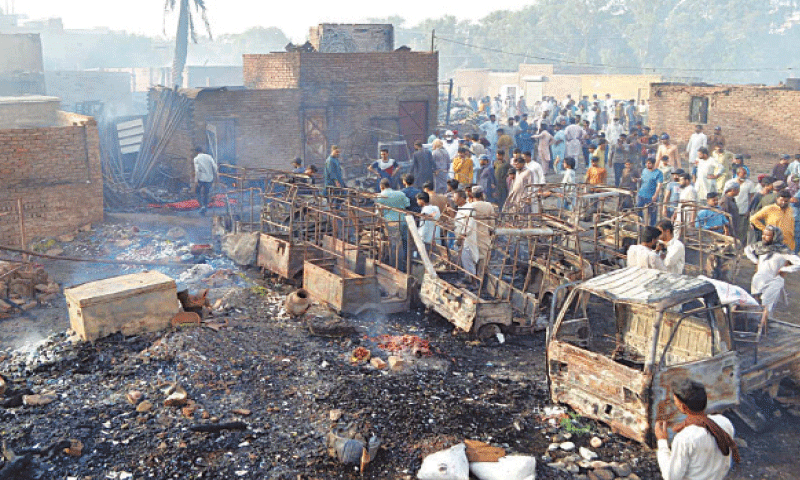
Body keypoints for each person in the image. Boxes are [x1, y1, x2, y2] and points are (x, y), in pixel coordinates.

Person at [655, 379, 738, 480]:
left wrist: (662, 441)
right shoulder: (724, 422)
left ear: (683, 407)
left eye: (675, 401)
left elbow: (671, 477)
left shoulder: (685, 438)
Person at [745, 225, 800, 314]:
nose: (763, 236)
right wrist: (755, 261)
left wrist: (785, 269)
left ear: (774, 236)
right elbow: (747, 249)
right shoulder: (761, 246)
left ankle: (765, 324)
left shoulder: (783, 251)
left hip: (774, 281)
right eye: (763, 234)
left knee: (766, 306)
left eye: (767, 235)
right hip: (759, 279)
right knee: (755, 305)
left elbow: (798, 263)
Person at [375, 178, 410, 270]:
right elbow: (407, 204)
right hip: (403, 220)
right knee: (405, 241)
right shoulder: (401, 194)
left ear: (381, 187)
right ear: (389, 185)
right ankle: (407, 262)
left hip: (390, 223)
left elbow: (378, 212)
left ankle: (396, 267)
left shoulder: (380, 196)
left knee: (395, 245)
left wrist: (378, 223)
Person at [725, 167, 758, 246]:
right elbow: (725, 195)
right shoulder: (730, 183)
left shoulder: (749, 183)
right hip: (732, 210)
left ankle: (741, 247)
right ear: (737, 174)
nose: (744, 176)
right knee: (732, 230)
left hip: (743, 210)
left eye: (745, 174)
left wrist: (749, 210)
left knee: (742, 231)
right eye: (743, 174)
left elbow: (751, 197)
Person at [454, 190, 480, 286]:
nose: (454, 200)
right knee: (464, 259)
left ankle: (474, 282)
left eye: (456, 199)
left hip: (467, 239)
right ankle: (468, 279)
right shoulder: (461, 208)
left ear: (462, 198)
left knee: (468, 259)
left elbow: (470, 224)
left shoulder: (470, 208)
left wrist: (462, 235)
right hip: (461, 237)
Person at [635, 158, 663, 226]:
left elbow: (659, 185)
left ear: (653, 164)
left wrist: (655, 195)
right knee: (638, 210)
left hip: (651, 196)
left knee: (652, 214)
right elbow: (643, 179)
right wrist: (637, 180)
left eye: (649, 163)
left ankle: (651, 228)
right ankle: (640, 225)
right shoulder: (644, 170)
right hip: (641, 194)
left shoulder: (658, 173)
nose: (647, 165)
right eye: (646, 163)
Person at [193, 147, 218, 216]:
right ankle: (205, 207)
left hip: (201, 178)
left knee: (197, 192)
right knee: (206, 193)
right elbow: (215, 166)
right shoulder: (209, 157)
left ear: (196, 152)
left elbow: (197, 170)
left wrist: (196, 180)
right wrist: (216, 175)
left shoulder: (196, 159)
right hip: (209, 178)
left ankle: (202, 206)